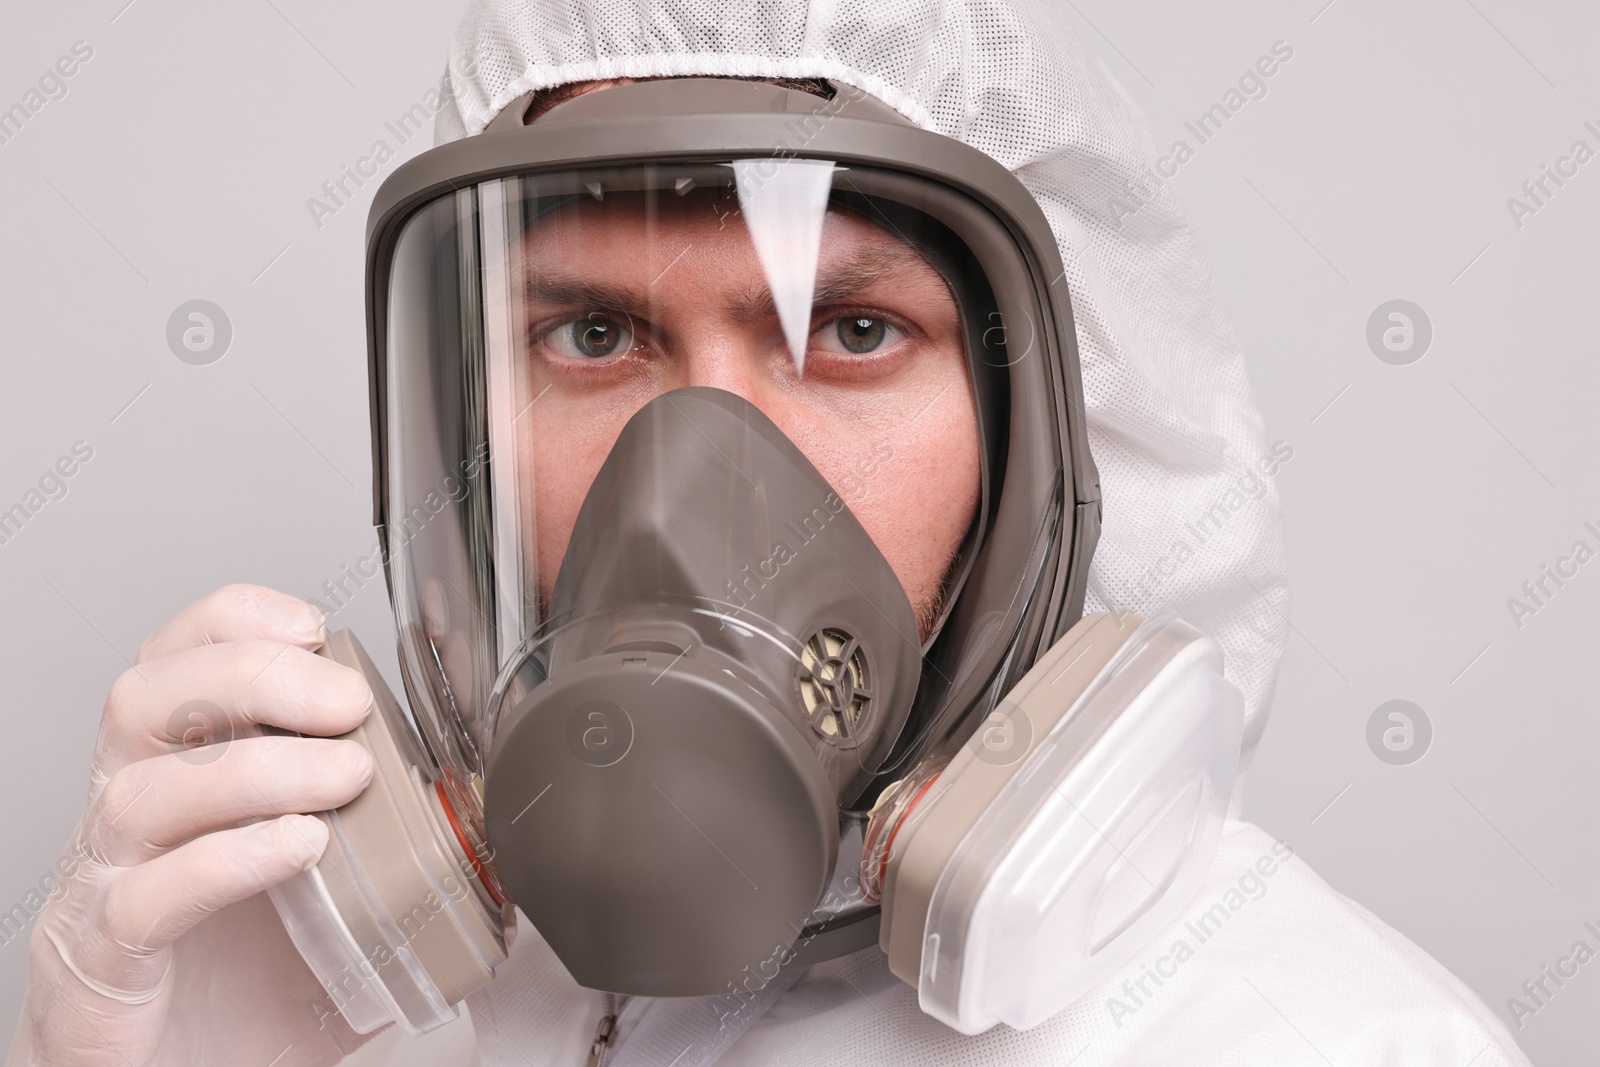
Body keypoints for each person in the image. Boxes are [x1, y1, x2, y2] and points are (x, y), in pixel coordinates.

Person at [7, 1, 1531, 1065]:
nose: (699, 479)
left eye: (853, 329)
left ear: (1051, 438)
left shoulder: (1323, 1043)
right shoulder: (417, 1018)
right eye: (592, 333)